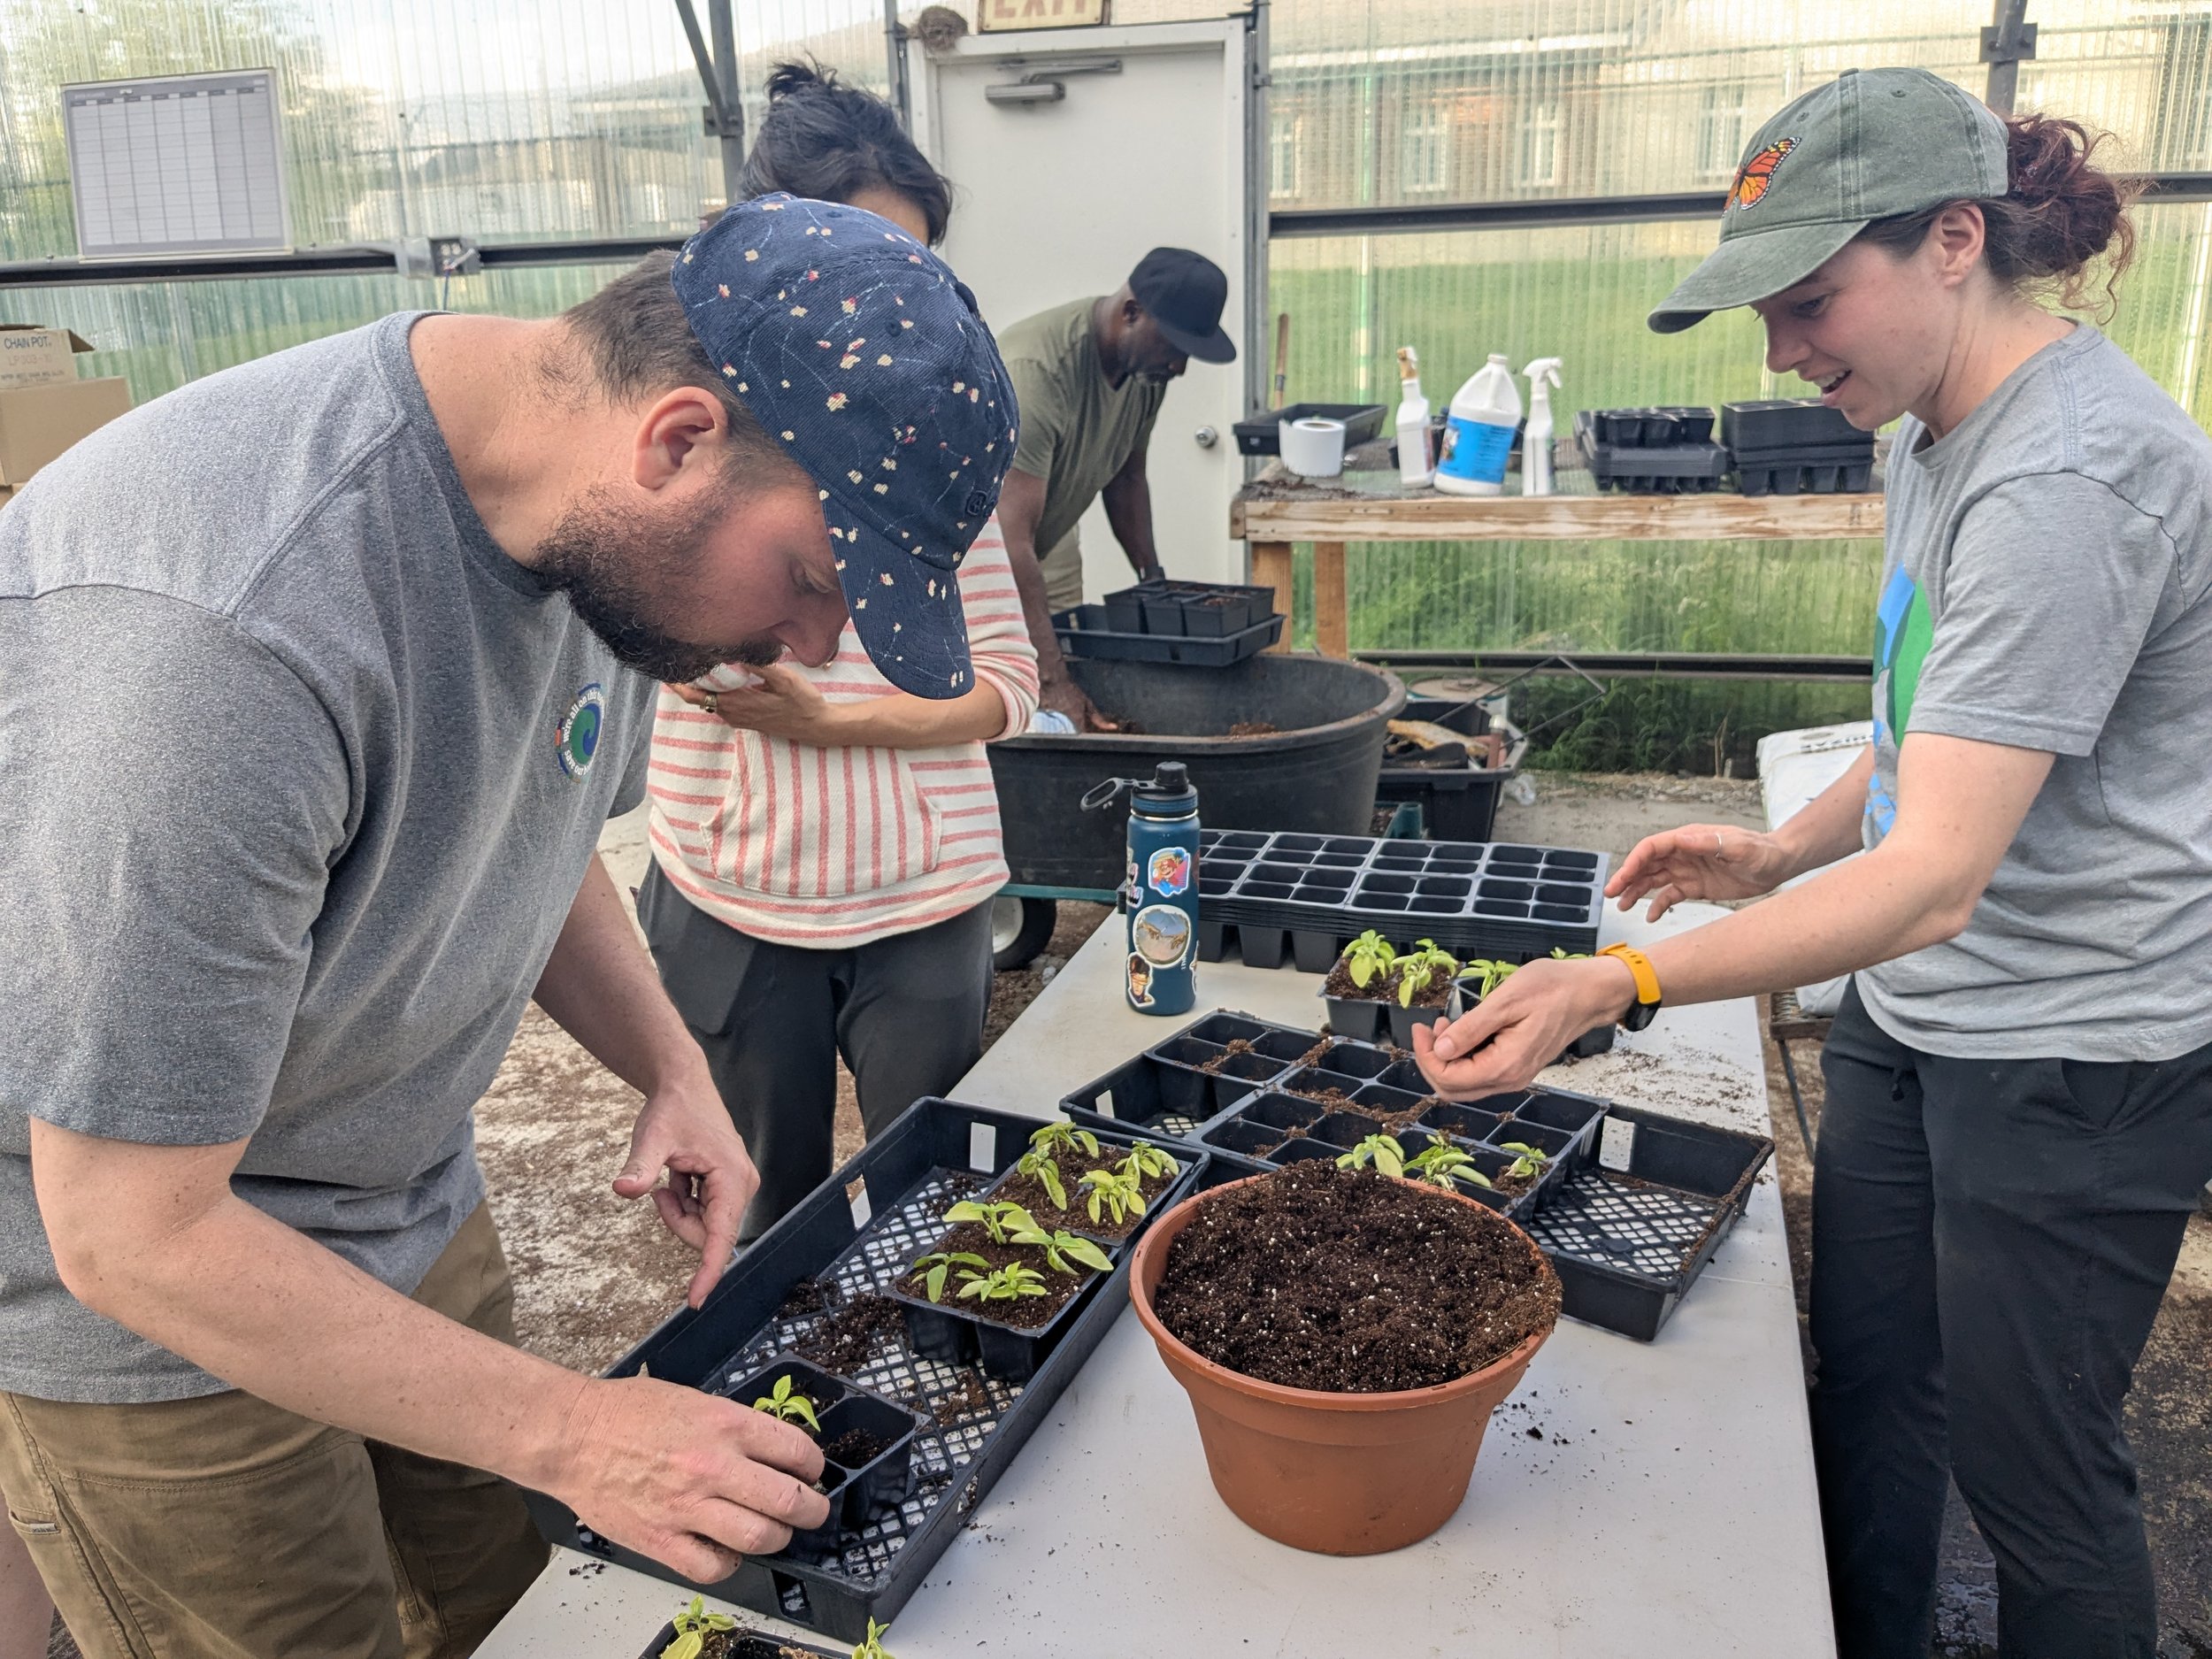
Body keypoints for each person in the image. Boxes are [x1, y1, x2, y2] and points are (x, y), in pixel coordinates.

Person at [0, 192, 1018, 1657]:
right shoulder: (227, 640)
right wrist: (574, 1434)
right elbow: (131, 1231)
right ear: (676, 439)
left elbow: (517, 828)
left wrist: (668, 1065)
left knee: (524, 1608)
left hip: (399, 1189)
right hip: (155, 1315)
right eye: (811, 585)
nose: (812, 653)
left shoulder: (574, 537)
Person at [1410, 68, 2212, 1659]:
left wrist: (1619, 980)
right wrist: (1781, 849)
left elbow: (1936, 876)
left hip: (2071, 1055)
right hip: (1923, 1026)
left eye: (1810, 300)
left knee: (2036, 1470)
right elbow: (1938, 729)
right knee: (1870, 1378)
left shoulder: (2068, 479)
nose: (1782, 351)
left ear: (1956, 241)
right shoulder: (1933, 432)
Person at [638, 61, 1039, 1240]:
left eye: (917, 266)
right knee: (764, 1201)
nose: (891, 303)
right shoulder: (686, 430)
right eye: (861, 255)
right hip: (731, 887)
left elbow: (1007, 687)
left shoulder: (935, 424)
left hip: (923, 892)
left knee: (928, 1197)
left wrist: (834, 719)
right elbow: (642, 637)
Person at [996, 248, 1238, 730]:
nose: (1180, 368)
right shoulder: (1035, 372)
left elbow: (1126, 478)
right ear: (1132, 313)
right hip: (977, 558)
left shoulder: (1147, 370)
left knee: (1071, 707)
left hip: (1046, 533)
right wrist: (1052, 681)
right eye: (1175, 347)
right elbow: (1006, 540)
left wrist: (1154, 583)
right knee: (1024, 702)